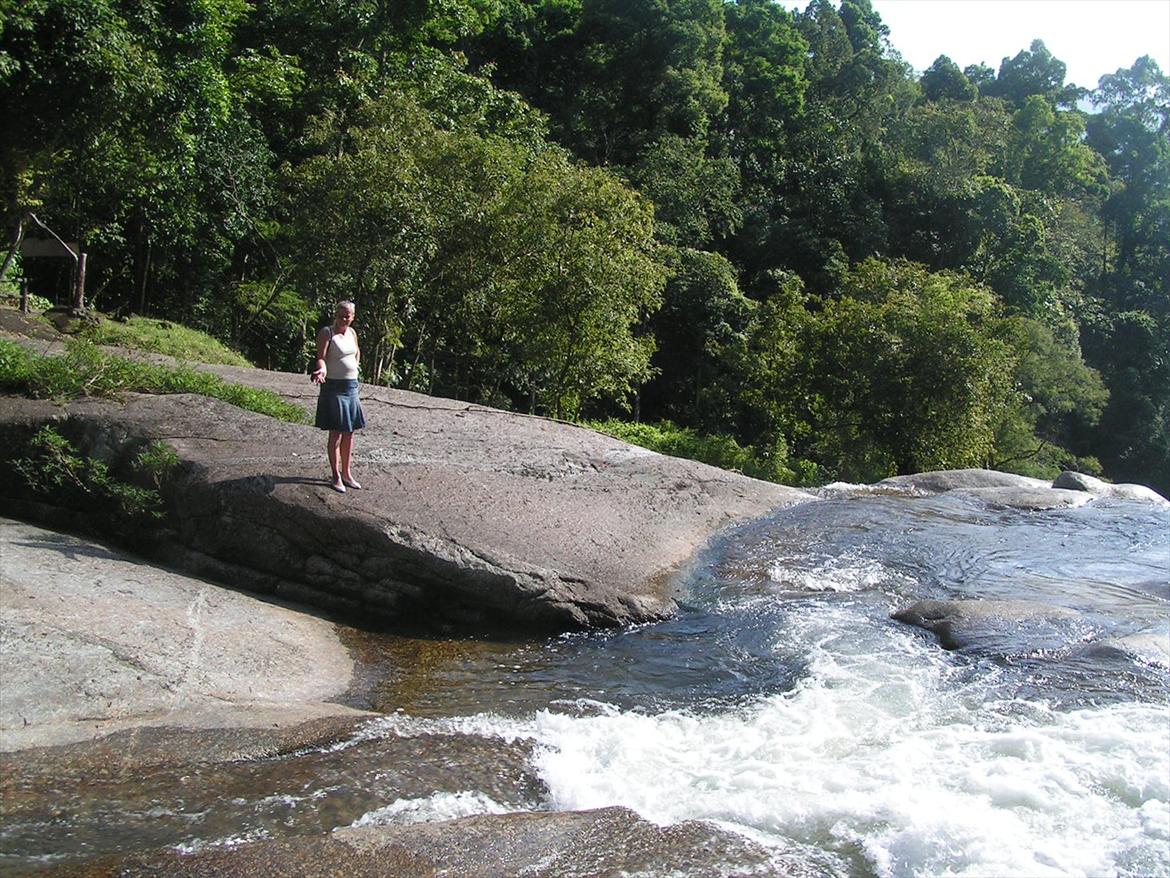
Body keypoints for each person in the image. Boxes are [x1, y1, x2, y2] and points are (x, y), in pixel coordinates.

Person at [310, 300, 366, 493]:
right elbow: (321, 357)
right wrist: (322, 371)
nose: (344, 319)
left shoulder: (352, 333)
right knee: (336, 433)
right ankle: (335, 475)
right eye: (341, 315)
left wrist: (354, 367)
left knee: (349, 432)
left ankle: (347, 473)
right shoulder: (327, 333)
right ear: (336, 314)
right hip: (333, 387)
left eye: (347, 316)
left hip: (351, 386)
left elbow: (356, 352)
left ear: (353, 317)